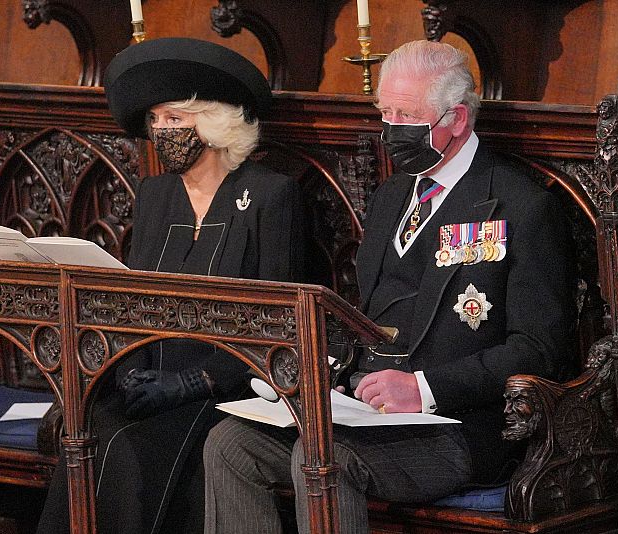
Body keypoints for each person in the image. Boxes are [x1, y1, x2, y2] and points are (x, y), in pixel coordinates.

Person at [202, 39, 576, 533]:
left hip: (461, 424)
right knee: (229, 444)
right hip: (365, 409)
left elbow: (537, 349)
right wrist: (326, 375)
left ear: (456, 119)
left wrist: (423, 389)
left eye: (407, 116)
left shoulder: (519, 205)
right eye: (386, 113)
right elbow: (366, 314)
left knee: (325, 459)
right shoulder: (391, 195)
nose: (392, 131)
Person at [36, 38, 304, 534]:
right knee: (89, 431)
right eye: (155, 120)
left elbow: (281, 321)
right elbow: (134, 303)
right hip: (150, 382)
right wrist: (127, 371)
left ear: (212, 121)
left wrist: (196, 382)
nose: (160, 131)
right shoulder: (155, 195)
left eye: (173, 118)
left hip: (225, 388)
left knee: (132, 450)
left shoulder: (269, 194)